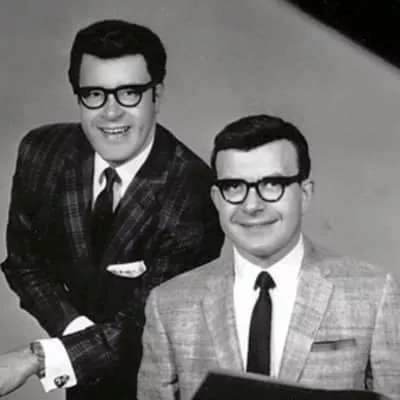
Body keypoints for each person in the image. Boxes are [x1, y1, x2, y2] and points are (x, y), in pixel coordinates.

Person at [0, 19, 223, 400]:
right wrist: (76, 335)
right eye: (94, 94)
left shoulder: (192, 190)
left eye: (129, 93)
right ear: (78, 96)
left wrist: (39, 357)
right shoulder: (42, 152)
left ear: (157, 95)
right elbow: (25, 264)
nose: (111, 112)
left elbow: (147, 323)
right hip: (82, 372)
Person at [137, 114, 400, 400]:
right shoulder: (168, 305)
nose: (252, 205)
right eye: (234, 186)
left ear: (305, 194)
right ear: (216, 199)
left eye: (272, 184)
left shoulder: (373, 294)